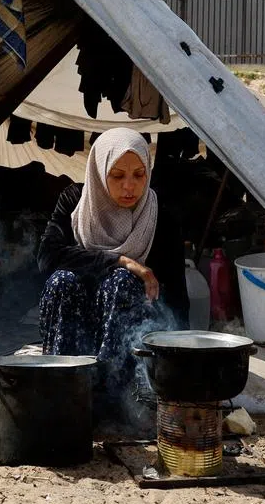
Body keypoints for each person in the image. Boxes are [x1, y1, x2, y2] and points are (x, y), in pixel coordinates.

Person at [36, 127, 188, 404]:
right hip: (78, 324)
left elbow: (177, 294)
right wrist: (121, 260)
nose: (129, 186)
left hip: (130, 333)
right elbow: (47, 256)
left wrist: (179, 356)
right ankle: (63, 381)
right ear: (98, 170)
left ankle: (113, 391)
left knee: (121, 282)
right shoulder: (76, 201)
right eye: (117, 176)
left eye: (138, 175)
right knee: (62, 281)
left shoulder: (160, 216)